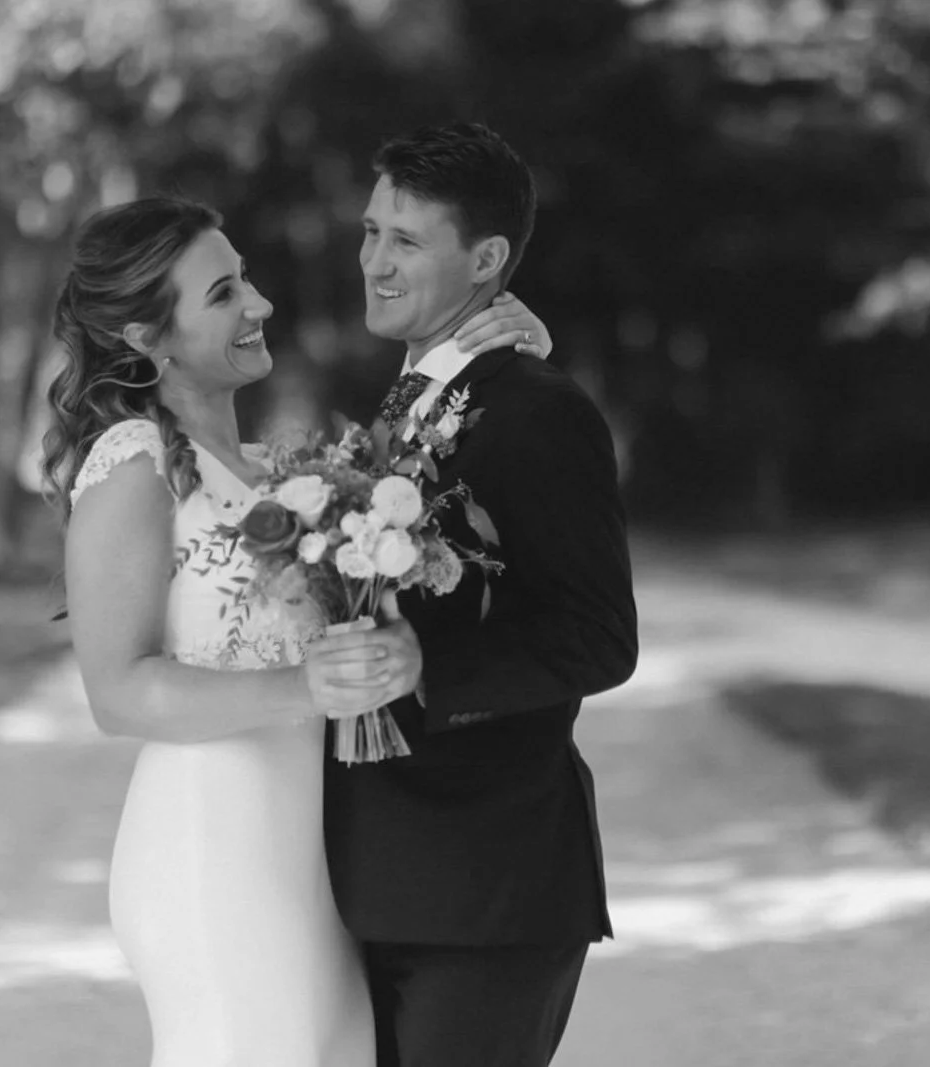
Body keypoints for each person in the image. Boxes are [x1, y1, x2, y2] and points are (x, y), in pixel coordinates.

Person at [47, 196, 556, 1067]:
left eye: (243, 279)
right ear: (144, 337)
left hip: (308, 855)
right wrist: (304, 687)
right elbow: (118, 690)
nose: (260, 305)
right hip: (213, 847)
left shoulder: (274, 473)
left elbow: (410, 500)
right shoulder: (132, 466)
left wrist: (496, 362)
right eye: (223, 294)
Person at [315, 122, 640, 1067]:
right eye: (372, 231)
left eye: (407, 241)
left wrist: (427, 663)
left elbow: (599, 637)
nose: (374, 260)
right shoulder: (400, 404)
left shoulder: (542, 412)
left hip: (488, 887)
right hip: (378, 875)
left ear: (487, 258)